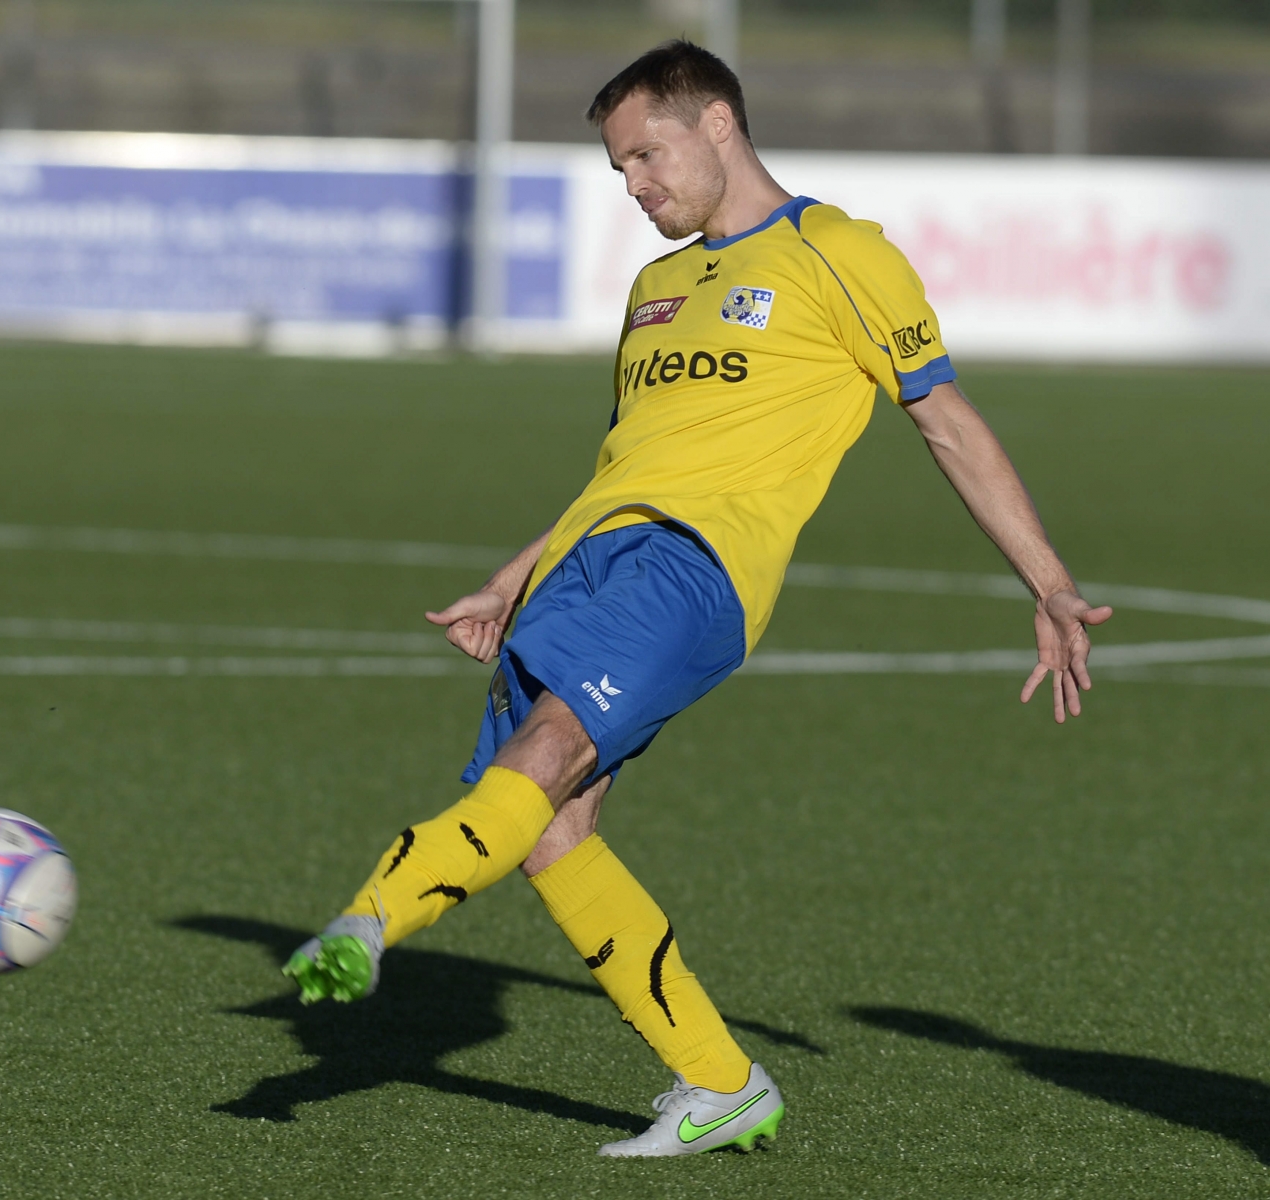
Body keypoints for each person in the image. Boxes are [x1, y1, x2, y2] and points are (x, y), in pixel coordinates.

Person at [282, 39, 1113, 1159]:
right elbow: (626, 468)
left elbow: (943, 419)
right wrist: (513, 574)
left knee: (541, 752)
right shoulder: (655, 289)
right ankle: (720, 1086)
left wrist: (1049, 582)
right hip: (587, 565)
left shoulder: (837, 253)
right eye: (618, 168)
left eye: (645, 153)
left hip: (697, 569)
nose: (634, 185)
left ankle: (365, 922)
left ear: (715, 122)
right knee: (552, 833)